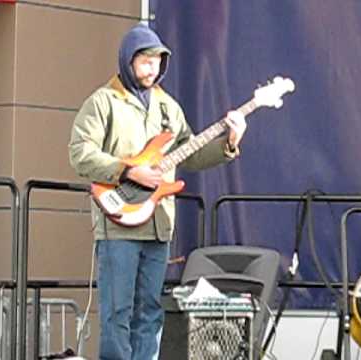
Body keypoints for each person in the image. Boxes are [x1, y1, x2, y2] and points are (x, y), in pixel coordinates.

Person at [68, 23, 247, 360]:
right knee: (117, 312)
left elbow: (190, 153)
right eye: (145, 61)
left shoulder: (168, 106)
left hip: (159, 223)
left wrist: (230, 142)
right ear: (127, 60)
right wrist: (127, 169)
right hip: (118, 223)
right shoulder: (103, 102)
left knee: (150, 310)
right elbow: (80, 153)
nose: (152, 68)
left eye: (157, 61)